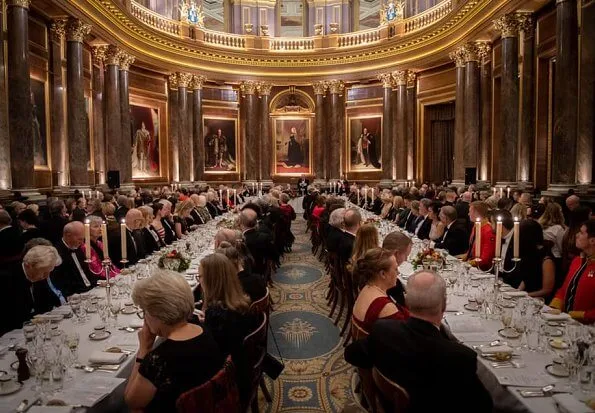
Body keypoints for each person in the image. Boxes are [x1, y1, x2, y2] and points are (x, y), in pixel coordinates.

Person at [345, 270, 493, 413]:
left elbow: (351, 354)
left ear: (407, 302)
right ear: (444, 305)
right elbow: (485, 406)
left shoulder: (383, 330)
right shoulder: (461, 358)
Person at [126, 270, 224, 412]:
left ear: (157, 313)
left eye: (144, 311)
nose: (144, 318)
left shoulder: (159, 359)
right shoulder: (202, 329)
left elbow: (131, 401)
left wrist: (144, 350)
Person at [197, 253, 255, 402]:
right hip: (244, 370)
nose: (199, 281)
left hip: (231, 383)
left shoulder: (217, 313)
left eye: (200, 277)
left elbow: (212, 353)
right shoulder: (239, 300)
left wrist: (201, 325)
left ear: (212, 280)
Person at [0, 245, 64, 334]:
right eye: (44, 272)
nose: (46, 276)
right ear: (29, 265)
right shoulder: (7, 280)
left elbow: (45, 305)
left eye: (49, 272)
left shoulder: (38, 274)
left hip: (36, 330)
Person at [352, 248, 409, 333]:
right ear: (383, 274)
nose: (398, 273)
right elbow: (407, 335)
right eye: (395, 269)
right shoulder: (384, 306)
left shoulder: (367, 287)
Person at [550, 220, 595, 324]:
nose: (577, 235)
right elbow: (564, 289)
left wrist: (574, 314)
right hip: (566, 322)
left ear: (592, 240)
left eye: (582, 233)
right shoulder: (577, 261)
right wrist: (554, 307)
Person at [52, 221, 99, 297]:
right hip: (76, 294)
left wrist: (98, 282)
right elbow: (60, 282)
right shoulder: (57, 252)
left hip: (90, 290)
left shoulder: (77, 247)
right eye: (79, 239)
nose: (82, 242)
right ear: (68, 235)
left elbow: (86, 271)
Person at [517, 220, 556, 300]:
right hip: (526, 297)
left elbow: (547, 290)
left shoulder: (546, 260)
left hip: (539, 301)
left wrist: (524, 295)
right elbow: (527, 278)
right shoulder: (530, 253)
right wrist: (518, 291)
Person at [382, 232, 412, 307]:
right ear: (397, 253)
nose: (406, 259)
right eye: (406, 255)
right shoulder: (389, 279)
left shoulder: (379, 267)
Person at [466, 201, 496, 271]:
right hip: (472, 264)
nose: (468, 214)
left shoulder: (488, 231)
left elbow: (485, 259)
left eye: (470, 211)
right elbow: (470, 251)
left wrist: (467, 263)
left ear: (476, 213)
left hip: (481, 270)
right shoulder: (475, 226)